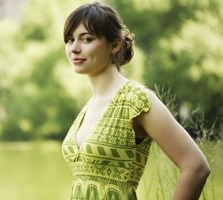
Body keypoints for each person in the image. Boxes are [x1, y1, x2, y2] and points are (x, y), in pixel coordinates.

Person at [61, 2, 210, 200]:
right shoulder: (89, 106)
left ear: (115, 45)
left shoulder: (137, 100)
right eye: (70, 40)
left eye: (86, 39)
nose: (74, 48)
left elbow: (196, 167)